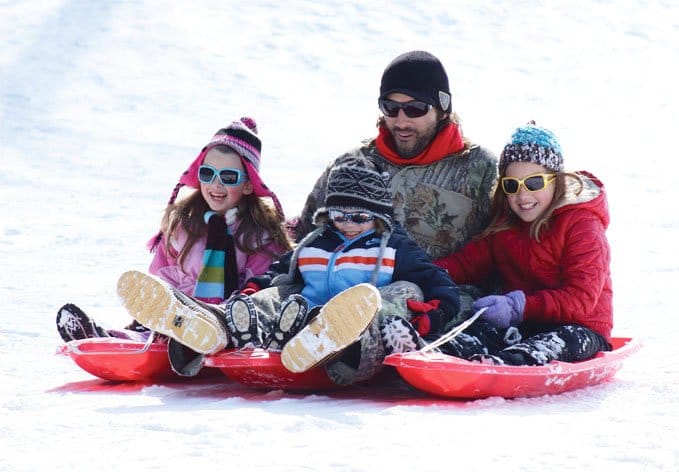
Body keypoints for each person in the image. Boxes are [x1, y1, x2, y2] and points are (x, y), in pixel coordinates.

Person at [117, 164, 460, 381]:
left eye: (360, 218)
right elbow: (278, 271)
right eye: (341, 216)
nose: (349, 225)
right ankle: (213, 326)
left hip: (358, 328)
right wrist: (254, 291)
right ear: (328, 214)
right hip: (302, 319)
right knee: (277, 293)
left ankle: (332, 340)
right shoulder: (314, 243)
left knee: (397, 292)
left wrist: (436, 311)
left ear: (379, 217)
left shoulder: (395, 246)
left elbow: (439, 283)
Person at [56, 117, 293, 351]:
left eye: (228, 177)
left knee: (200, 330)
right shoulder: (184, 225)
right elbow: (161, 279)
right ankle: (108, 340)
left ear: (249, 184)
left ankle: (191, 337)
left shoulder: (259, 234)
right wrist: (156, 306)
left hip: (228, 325)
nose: (216, 185)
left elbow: (262, 289)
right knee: (153, 333)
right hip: (177, 321)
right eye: (207, 174)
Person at [432, 122, 613, 365]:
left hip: (582, 328)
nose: (523, 195)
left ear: (556, 181)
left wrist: (518, 306)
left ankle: (508, 363)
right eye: (512, 185)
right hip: (525, 323)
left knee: (556, 341)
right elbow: (467, 263)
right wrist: (427, 273)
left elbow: (580, 300)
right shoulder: (507, 225)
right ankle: (440, 353)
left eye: (534, 183)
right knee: (482, 331)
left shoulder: (581, 225)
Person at [292, 50, 498, 262]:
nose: (401, 122)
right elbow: (305, 237)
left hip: (443, 289)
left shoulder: (480, 168)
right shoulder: (353, 163)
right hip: (349, 285)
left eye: (415, 109)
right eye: (390, 107)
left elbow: (503, 247)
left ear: (443, 109)